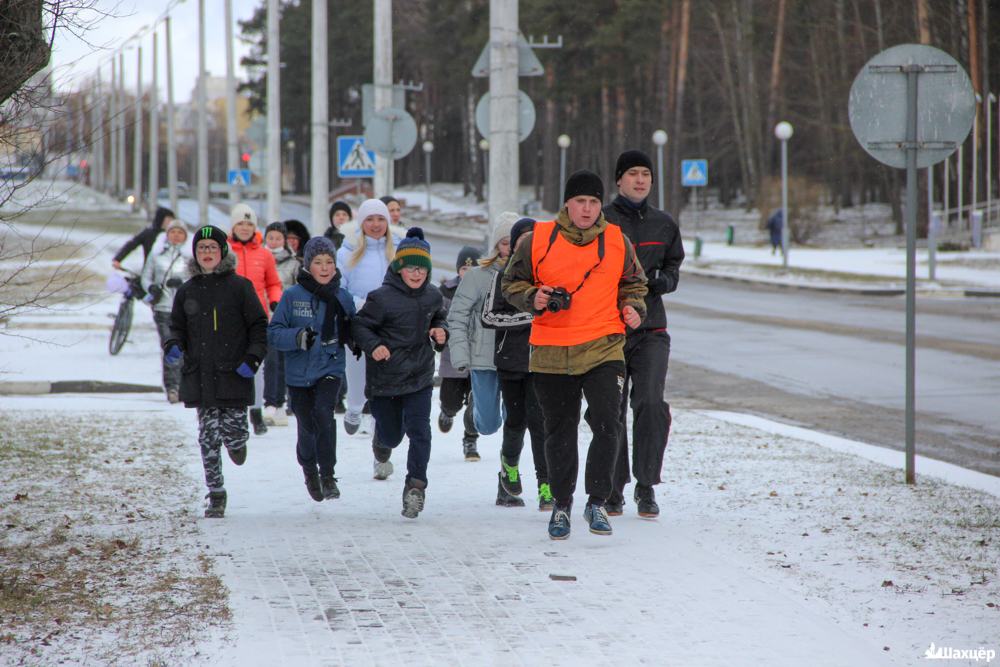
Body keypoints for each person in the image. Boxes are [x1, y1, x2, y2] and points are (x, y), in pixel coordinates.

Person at [502, 170, 647, 540]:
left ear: (601, 205)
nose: (587, 209)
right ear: (567, 203)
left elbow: (634, 283)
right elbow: (510, 283)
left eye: (594, 202)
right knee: (559, 431)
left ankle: (597, 501)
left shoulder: (617, 241)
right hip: (551, 349)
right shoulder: (537, 240)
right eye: (580, 201)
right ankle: (562, 506)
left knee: (607, 422)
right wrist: (531, 297)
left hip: (604, 345)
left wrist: (633, 308)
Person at [601, 150, 685, 519]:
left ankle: (646, 485)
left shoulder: (664, 224)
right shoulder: (601, 220)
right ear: (619, 180)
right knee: (611, 409)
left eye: (646, 174)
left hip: (652, 329)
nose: (640, 180)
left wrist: (658, 281)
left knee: (650, 404)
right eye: (633, 173)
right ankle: (613, 489)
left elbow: (673, 269)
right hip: (608, 330)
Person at [163, 225, 268, 518]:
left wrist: (253, 358)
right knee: (207, 437)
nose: (207, 253)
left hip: (234, 374)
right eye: (201, 248)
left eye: (212, 247)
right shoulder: (187, 291)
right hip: (201, 374)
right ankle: (216, 493)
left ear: (222, 252)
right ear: (195, 255)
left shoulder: (240, 287)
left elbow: (259, 326)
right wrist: (173, 344)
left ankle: (237, 443)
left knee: (232, 434)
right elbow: (177, 326)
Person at [351, 228, 448, 518]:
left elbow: (440, 317)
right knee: (393, 436)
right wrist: (374, 345)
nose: (416, 274)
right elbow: (359, 326)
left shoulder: (433, 296)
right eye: (410, 268)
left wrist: (441, 331)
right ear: (399, 267)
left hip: (419, 377)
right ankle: (381, 441)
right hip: (385, 380)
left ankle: (415, 487)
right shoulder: (381, 298)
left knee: (421, 432)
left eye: (422, 269)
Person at [268, 236, 356, 503]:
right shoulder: (293, 296)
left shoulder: (342, 296)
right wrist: (298, 338)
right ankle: (309, 469)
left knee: (324, 415)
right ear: (308, 265)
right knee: (307, 426)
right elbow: (274, 333)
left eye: (329, 262)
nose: (325, 267)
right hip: (299, 373)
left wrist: (361, 340)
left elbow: (355, 326)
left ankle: (328, 475)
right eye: (318, 262)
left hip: (330, 367)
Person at [481, 217, 552, 510]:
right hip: (511, 360)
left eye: (532, 239)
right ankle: (509, 464)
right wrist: (529, 315)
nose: (526, 245)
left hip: (543, 361)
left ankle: (546, 486)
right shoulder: (503, 277)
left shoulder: (549, 274)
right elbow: (489, 317)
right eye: (520, 240)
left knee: (541, 424)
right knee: (516, 420)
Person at [447, 211, 517, 443]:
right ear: (497, 245)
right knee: (487, 425)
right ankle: (475, 407)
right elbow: (457, 317)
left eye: (516, 242)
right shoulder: (476, 276)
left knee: (515, 420)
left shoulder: (531, 275)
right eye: (506, 242)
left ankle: (509, 468)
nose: (511, 248)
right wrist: (460, 356)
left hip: (517, 360)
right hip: (483, 359)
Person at [336, 198, 398, 445]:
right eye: (370, 219)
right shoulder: (347, 251)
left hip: (392, 324)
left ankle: (380, 437)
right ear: (361, 223)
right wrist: (360, 304)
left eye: (381, 219)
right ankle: (354, 406)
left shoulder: (397, 250)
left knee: (386, 381)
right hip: (360, 323)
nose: (375, 224)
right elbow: (339, 289)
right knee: (358, 372)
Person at [228, 203, 283, 435]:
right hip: (229, 318)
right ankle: (235, 411)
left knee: (256, 365)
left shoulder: (264, 254)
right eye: (240, 223)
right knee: (231, 365)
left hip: (257, 318)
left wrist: (275, 300)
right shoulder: (225, 252)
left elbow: (273, 283)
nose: (245, 227)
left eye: (249, 223)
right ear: (233, 226)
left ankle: (256, 410)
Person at [437, 245, 482, 461]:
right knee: (451, 399)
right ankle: (447, 411)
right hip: (453, 357)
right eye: (465, 268)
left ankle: (470, 440)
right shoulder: (446, 292)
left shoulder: (487, 290)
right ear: (458, 270)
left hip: (479, 358)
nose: (468, 273)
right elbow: (438, 318)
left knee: (477, 403)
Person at [140, 217, 190, 404]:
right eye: (173, 232)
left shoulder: (189, 257)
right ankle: (172, 387)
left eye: (180, 233)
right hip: (162, 308)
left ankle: (185, 386)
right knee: (170, 347)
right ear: (167, 235)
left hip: (184, 311)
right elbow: (146, 277)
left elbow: (197, 279)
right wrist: (151, 287)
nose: (176, 236)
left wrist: (182, 284)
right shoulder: (156, 255)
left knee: (185, 349)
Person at [262, 221, 300, 426]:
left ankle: (288, 402)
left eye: (278, 237)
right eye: (271, 237)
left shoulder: (293, 263)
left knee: (288, 361)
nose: (274, 241)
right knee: (271, 361)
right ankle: (271, 402)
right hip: (265, 317)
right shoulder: (260, 259)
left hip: (288, 319)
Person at [111, 206, 176, 270]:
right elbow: (131, 245)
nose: (171, 222)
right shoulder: (148, 233)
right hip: (150, 271)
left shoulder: (174, 234)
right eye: (169, 219)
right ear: (161, 219)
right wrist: (118, 259)